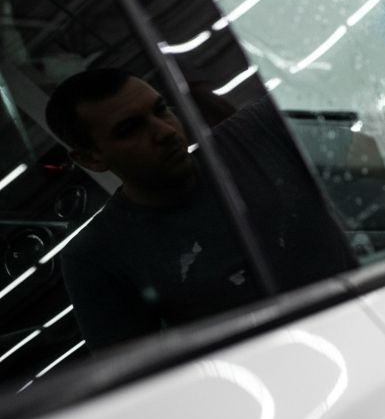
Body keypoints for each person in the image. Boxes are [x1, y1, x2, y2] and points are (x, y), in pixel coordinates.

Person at [44, 68, 353, 350]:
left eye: (161, 110)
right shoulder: (97, 256)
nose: (164, 131)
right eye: (130, 129)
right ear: (91, 159)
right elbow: (137, 383)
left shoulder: (258, 133)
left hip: (375, 326)